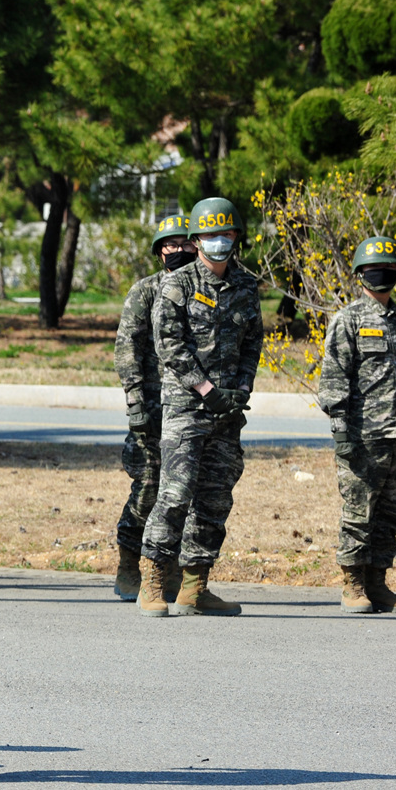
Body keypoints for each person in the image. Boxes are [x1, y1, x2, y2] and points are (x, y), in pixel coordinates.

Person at [138, 197, 262, 617]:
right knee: (175, 492)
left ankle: (196, 586)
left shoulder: (246, 286)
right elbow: (168, 345)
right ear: (196, 239)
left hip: (228, 411)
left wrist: (240, 390)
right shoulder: (178, 284)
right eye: (210, 235)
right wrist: (208, 389)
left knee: (215, 496)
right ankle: (153, 580)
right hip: (187, 406)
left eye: (226, 234)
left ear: (236, 238)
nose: (218, 241)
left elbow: (253, 344)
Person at [318, 236, 396, 614]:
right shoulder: (347, 320)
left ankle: (379, 585)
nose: (382, 274)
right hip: (362, 438)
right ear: (360, 273)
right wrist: (341, 430)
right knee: (359, 513)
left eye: (390, 268)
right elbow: (333, 379)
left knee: (390, 515)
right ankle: (353, 585)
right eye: (375, 268)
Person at [112, 214, 196, 601]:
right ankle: (129, 563)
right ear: (159, 251)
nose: (178, 250)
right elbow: (127, 349)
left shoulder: (203, 291)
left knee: (183, 492)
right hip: (151, 408)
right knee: (147, 487)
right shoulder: (145, 291)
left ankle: (169, 569)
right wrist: (134, 401)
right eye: (170, 244)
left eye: (185, 243)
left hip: (191, 408)